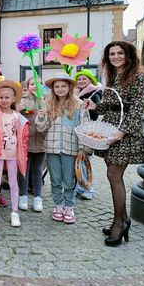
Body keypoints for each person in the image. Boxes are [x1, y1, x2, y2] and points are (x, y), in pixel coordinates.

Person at [84, 41, 144, 246]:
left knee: (114, 175)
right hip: (110, 130)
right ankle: (123, 218)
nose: (116, 56)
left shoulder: (137, 76)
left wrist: (121, 132)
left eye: (120, 53)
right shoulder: (112, 75)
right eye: (112, 53)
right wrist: (96, 106)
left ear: (128, 55)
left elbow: (137, 109)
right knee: (112, 174)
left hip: (124, 133)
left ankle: (119, 223)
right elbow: (113, 106)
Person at [36, 73, 88, 225]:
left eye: (63, 86)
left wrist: (82, 149)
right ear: (53, 89)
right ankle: (58, 205)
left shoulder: (79, 105)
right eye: (57, 86)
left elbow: (84, 127)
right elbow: (42, 128)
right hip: (52, 148)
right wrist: (40, 117)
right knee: (56, 179)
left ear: (69, 87)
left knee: (69, 180)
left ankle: (69, 206)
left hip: (71, 148)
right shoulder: (48, 104)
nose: (60, 89)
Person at [0, 80, 28, 227]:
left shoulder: (18, 117)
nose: (4, 100)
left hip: (13, 153)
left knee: (13, 182)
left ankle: (14, 212)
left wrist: (23, 154)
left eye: (7, 97)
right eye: (1, 97)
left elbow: (23, 137)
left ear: (13, 99)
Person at [17, 77, 46, 212]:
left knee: (38, 170)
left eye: (38, 84)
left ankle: (38, 197)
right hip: (25, 141)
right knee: (24, 169)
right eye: (32, 84)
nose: (35, 86)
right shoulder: (22, 100)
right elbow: (15, 115)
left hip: (41, 141)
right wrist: (20, 108)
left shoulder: (45, 100)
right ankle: (22, 196)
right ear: (27, 86)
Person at [74, 69, 102, 200]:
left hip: (88, 130)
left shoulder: (93, 93)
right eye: (79, 79)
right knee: (78, 160)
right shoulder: (79, 93)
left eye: (84, 79)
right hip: (79, 129)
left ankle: (87, 188)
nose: (81, 81)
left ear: (90, 80)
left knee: (84, 160)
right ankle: (79, 187)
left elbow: (95, 112)